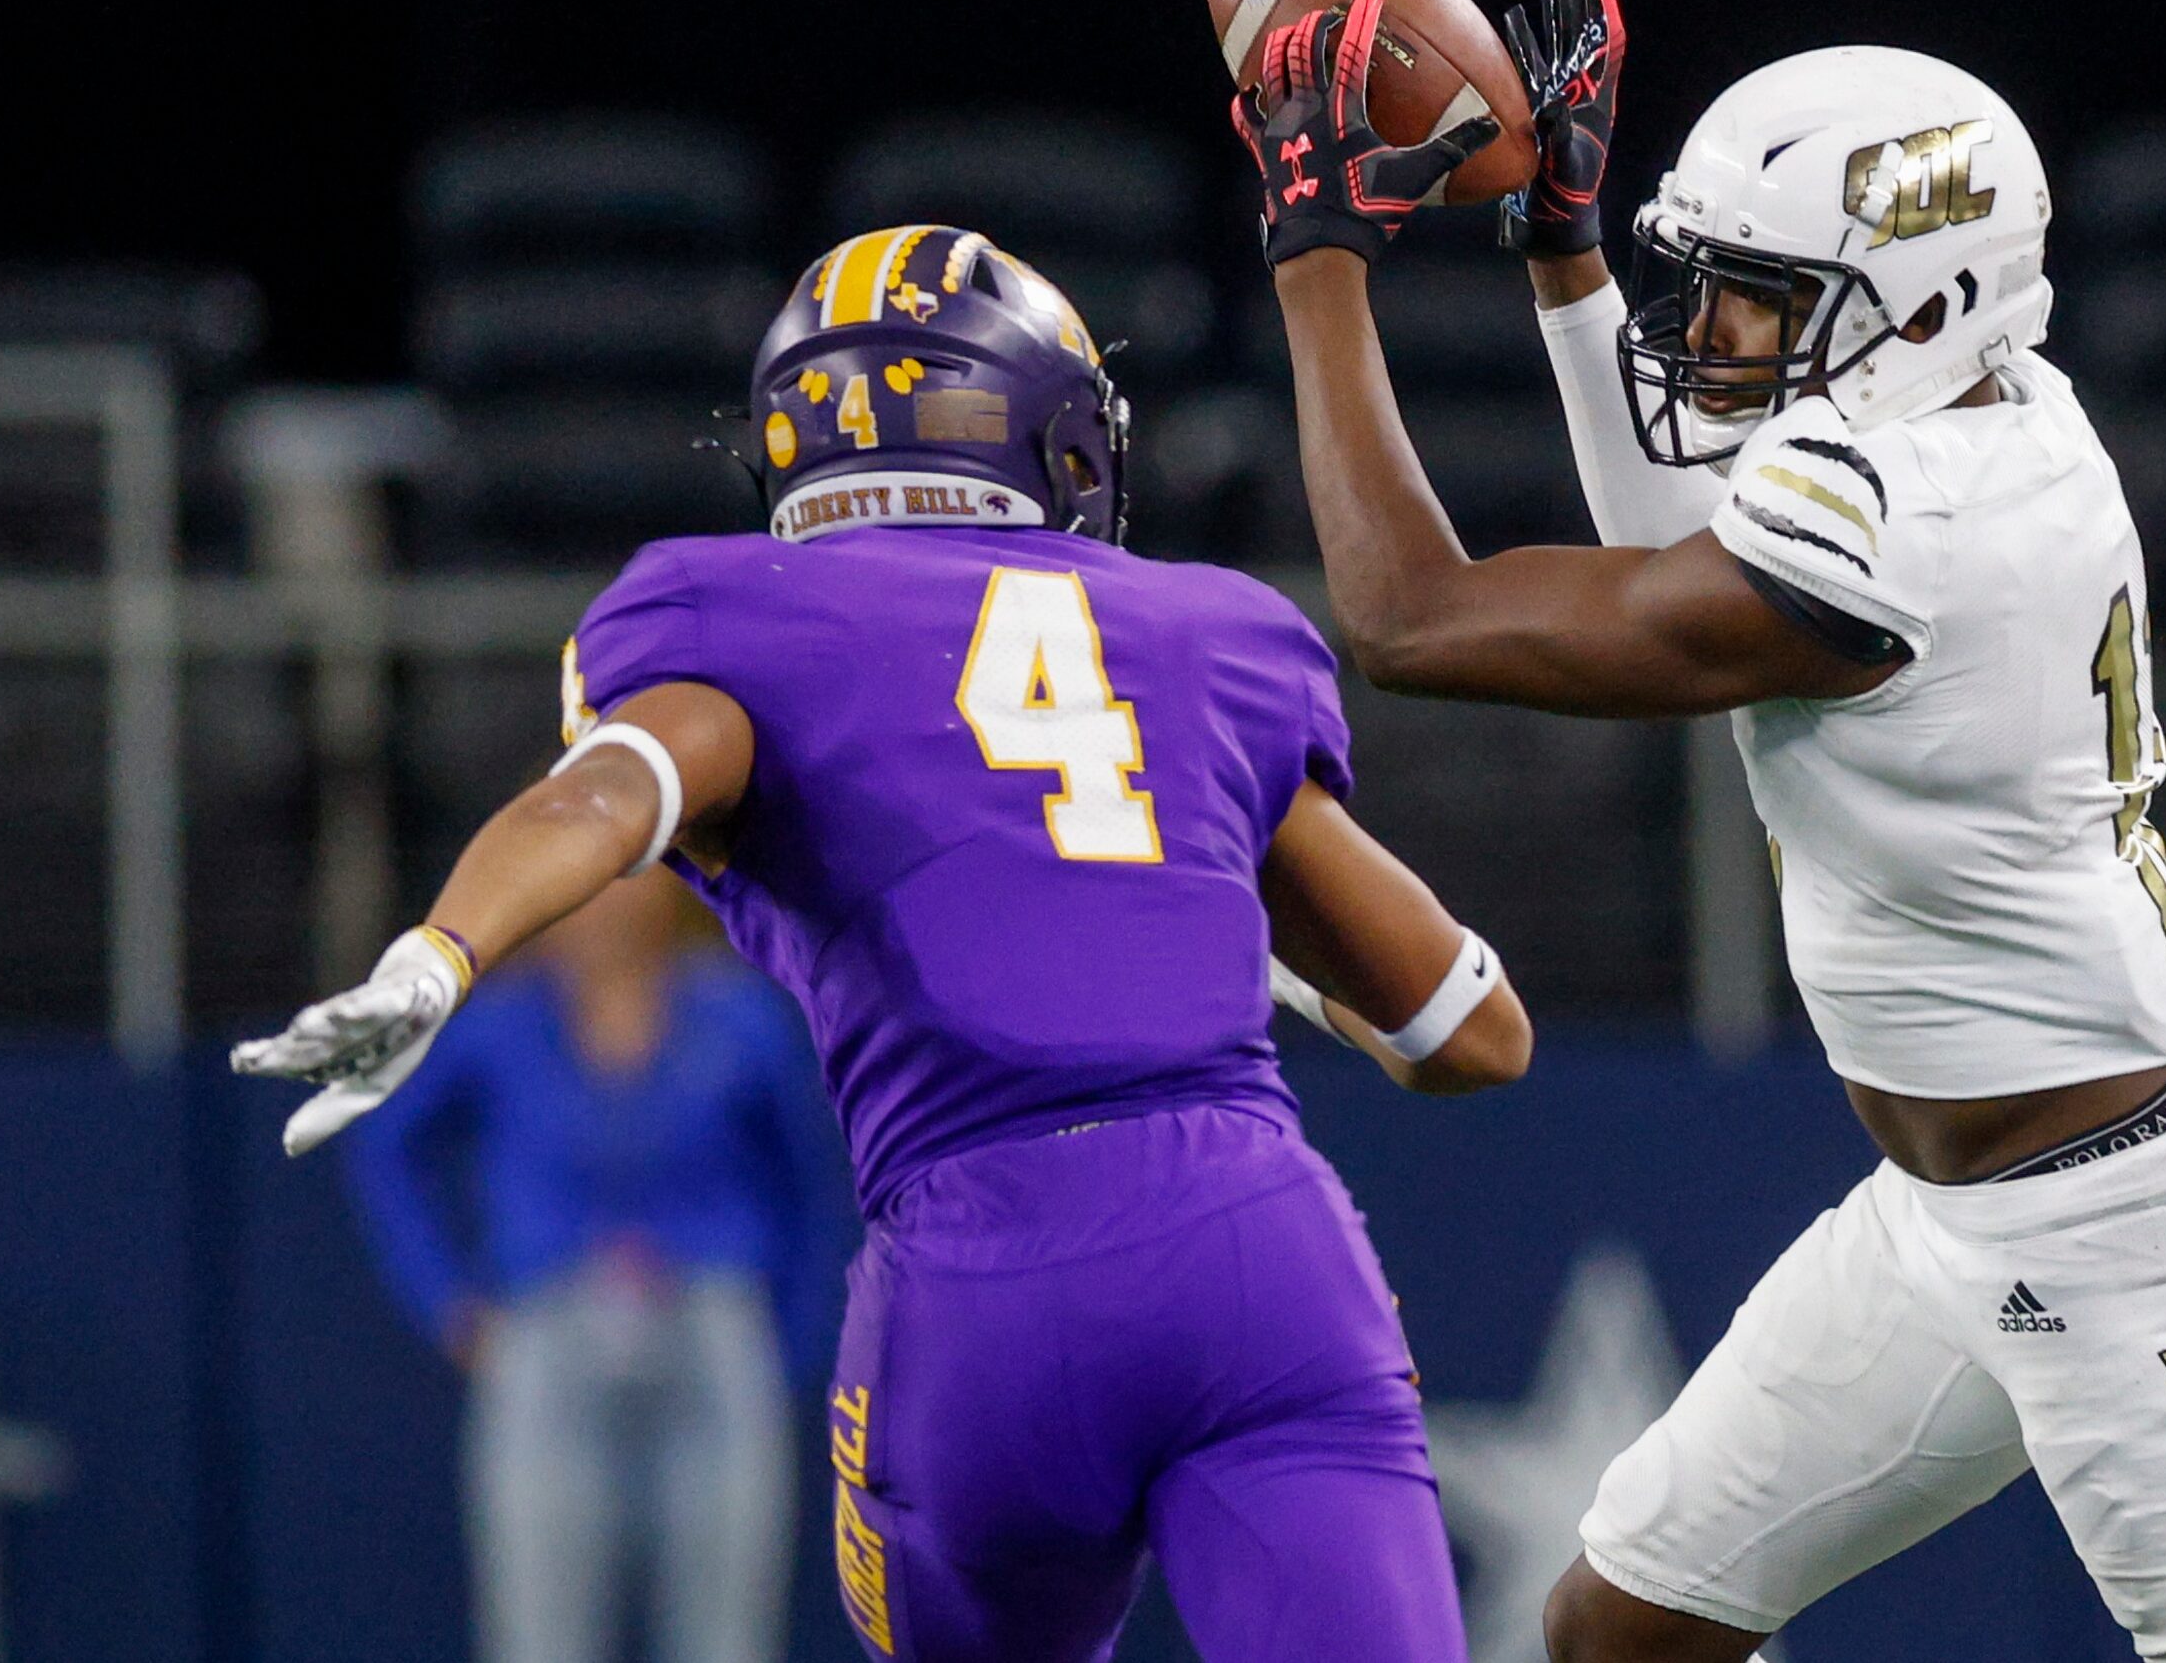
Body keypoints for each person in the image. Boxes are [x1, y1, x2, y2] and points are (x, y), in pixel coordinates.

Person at [1224, 0, 2166, 1660]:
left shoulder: (1905, 522)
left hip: (2134, 1229)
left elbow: (1412, 621)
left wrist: (1315, 261)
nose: (1707, 337)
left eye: (1756, 300)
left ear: (1915, 310)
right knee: (1624, 1627)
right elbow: (1667, 556)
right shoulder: (1974, 409)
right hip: (1947, 1213)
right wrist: (1559, 249)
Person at [234, 221, 1531, 1663]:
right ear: (1051, 437)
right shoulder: (1207, 631)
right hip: (1263, 1251)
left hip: (985, 1279)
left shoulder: (737, 611)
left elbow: (612, 790)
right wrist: (1220, 918)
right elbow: (1469, 1030)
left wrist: (443, 948)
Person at [345, 866, 841, 1663]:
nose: (609, 900)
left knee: (727, 1637)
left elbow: (814, 1191)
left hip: (713, 1336)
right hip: (548, 1337)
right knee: (540, 1636)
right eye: (586, 878)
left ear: (667, 882)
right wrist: (448, 1301)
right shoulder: (499, 1024)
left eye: (628, 875)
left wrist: (790, 1346)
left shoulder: (739, 1014)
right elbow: (387, 1148)